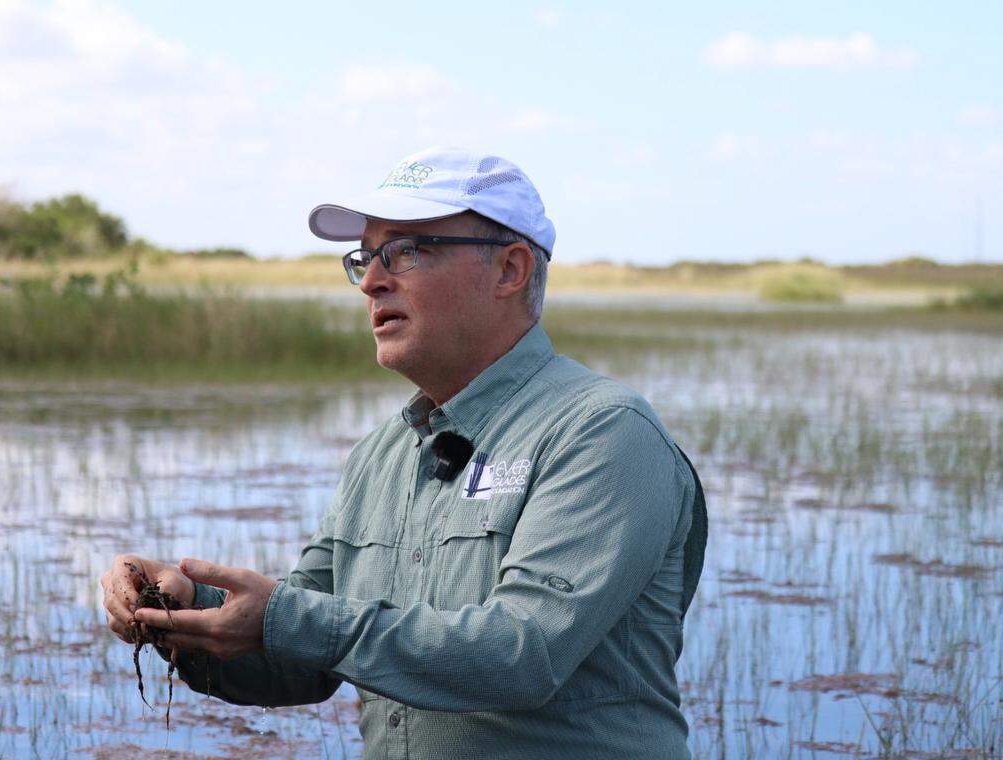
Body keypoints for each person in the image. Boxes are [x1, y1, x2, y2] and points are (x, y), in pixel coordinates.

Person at [101, 146, 707, 759]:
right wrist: (180, 614)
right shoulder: (381, 455)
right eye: (365, 257)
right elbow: (297, 659)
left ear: (510, 270)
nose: (371, 280)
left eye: (408, 251)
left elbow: (524, 652)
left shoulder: (602, 433)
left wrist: (285, 618)